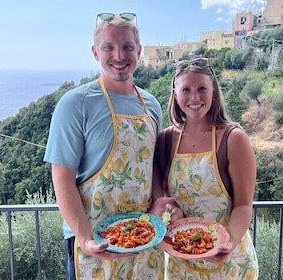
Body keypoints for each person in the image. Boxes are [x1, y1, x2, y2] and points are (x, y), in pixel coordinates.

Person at [44, 12, 166, 280]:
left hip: (143, 238)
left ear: (139, 51)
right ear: (95, 52)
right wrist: (86, 239)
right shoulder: (75, 104)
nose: (119, 56)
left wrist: (157, 205)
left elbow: (153, 164)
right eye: (109, 47)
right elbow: (62, 178)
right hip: (94, 239)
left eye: (127, 47)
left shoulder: (152, 105)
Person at [155, 58, 258, 279]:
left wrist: (227, 243)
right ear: (175, 95)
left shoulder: (234, 139)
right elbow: (163, 195)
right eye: (186, 90)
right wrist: (172, 211)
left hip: (229, 263)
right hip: (180, 262)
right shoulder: (165, 140)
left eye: (202, 88)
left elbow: (243, 205)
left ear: (213, 92)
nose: (194, 97)